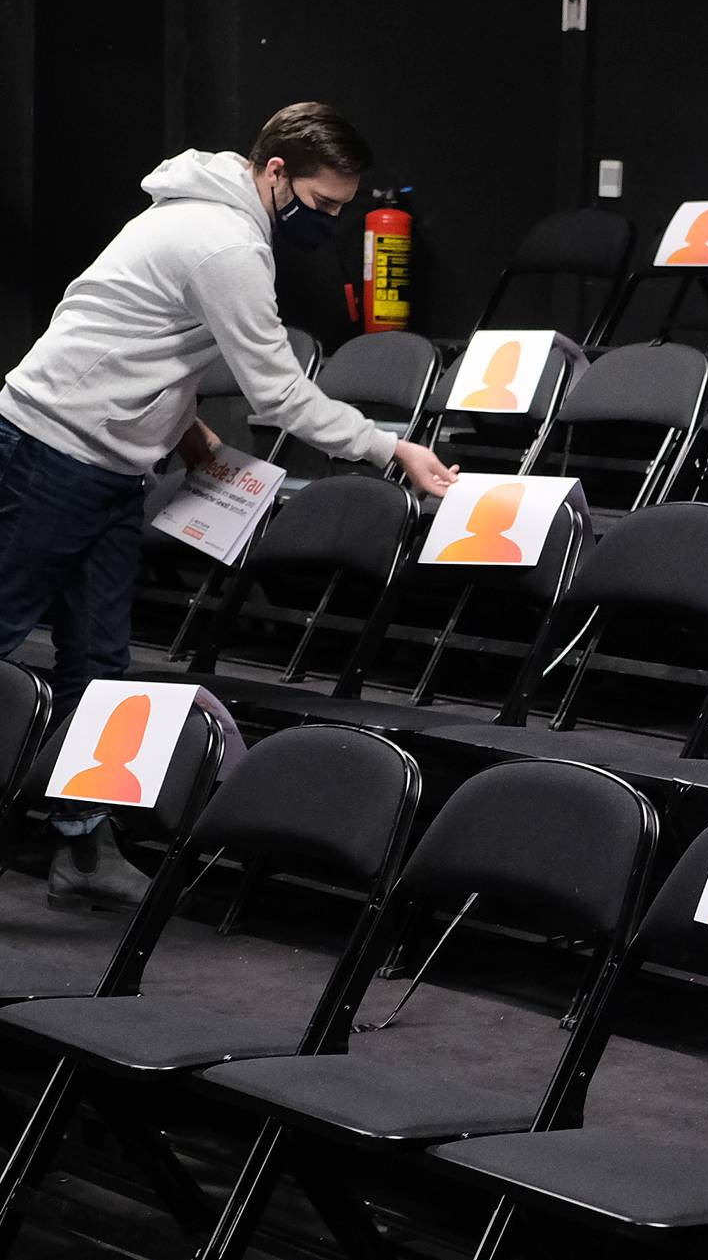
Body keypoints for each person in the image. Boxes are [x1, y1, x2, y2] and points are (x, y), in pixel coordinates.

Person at [0, 101, 459, 908]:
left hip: (109, 463)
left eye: (343, 212)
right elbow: (280, 395)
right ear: (275, 171)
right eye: (321, 206)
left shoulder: (201, 214)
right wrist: (393, 449)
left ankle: (80, 845)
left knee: (99, 669)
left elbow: (149, 344)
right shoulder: (224, 242)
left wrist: (185, 435)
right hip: (52, 453)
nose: (327, 223)